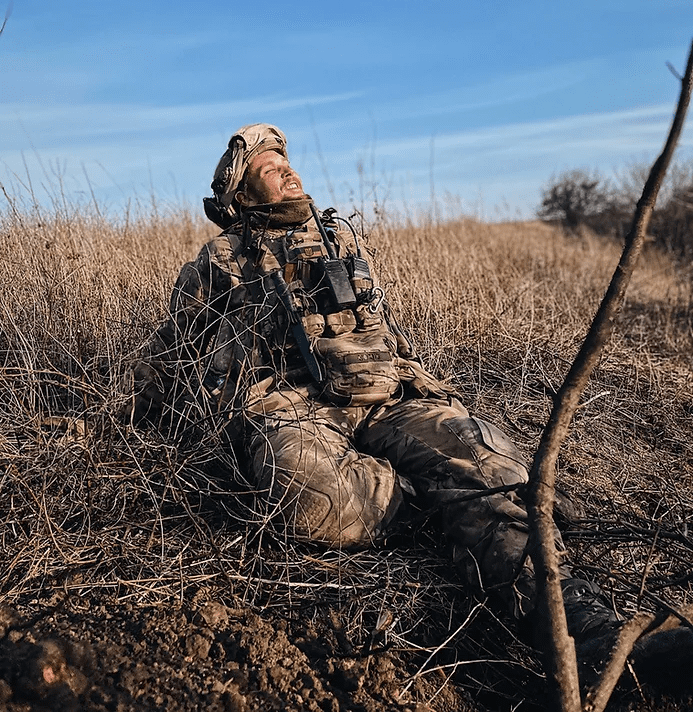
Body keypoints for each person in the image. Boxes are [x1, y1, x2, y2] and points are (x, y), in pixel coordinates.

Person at [131, 123, 692, 696]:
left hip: (388, 396)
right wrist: (122, 413)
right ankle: (443, 505)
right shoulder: (217, 259)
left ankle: (590, 635)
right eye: (269, 170)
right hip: (293, 407)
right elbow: (172, 347)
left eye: (286, 161)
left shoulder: (338, 238)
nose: (288, 170)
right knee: (309, 495)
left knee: (488, 459)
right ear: (241, 194)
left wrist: (420, 385)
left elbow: (384, 329)